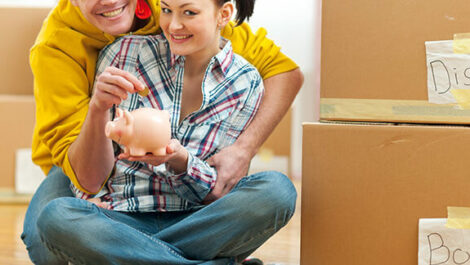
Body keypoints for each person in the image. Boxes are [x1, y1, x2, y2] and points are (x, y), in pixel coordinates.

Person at [21, 0, 303, 263]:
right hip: (82, 161)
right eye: (168, 12)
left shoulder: (181, 9)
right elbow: (86, 176)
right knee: (45, 231)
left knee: (276, 190)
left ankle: (130, 253)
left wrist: (243, 148)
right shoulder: (55, 47)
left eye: (187, 13)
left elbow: (285, 72)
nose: (109, 1)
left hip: (188, 197)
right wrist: (91, 197)